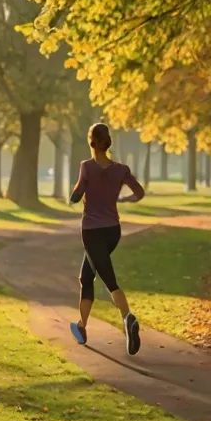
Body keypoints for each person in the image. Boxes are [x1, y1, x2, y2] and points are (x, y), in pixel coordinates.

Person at [68, 122, 145, 355]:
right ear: (107, 141)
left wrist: (81, 189)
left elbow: (75, 196)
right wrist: (124, 201)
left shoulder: (87, 167)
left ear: (91, 142)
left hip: (92, 231)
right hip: (113, 231)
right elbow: (139, 193)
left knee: (109, 280)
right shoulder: (121, 169)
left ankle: (128, 318)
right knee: (86, 276)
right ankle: (81, 327)